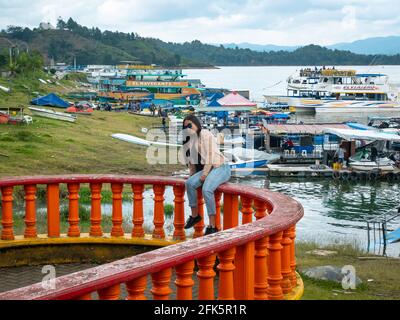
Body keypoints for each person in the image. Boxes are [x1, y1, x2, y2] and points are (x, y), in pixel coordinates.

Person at [182, 115, 231, 235]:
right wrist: (192, 175)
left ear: (196, 123)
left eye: (190, 125)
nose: (188, 128)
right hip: (208, 169)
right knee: (189, 183)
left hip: (220, 167)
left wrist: (204, 174)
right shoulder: (191, 140)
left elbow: (210, 155)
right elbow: (193, 161)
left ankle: (212, 226)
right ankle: (195, 216)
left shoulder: (205, 133)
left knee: (207, 189)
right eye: (185, 127)